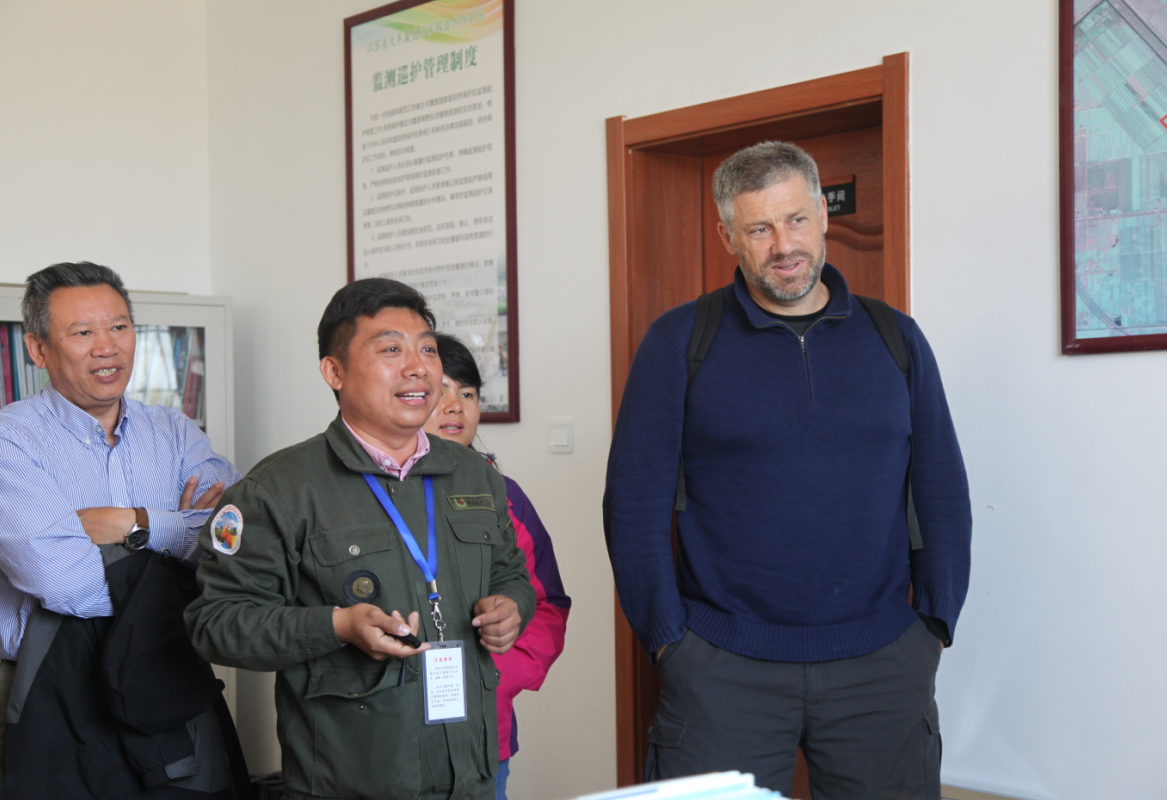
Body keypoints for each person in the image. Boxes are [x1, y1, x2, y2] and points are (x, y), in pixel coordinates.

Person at [603, 141, 972, 800]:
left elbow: (941, 485)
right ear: (728, 237)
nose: (783, 245)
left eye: (796, 219)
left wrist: (935, 624)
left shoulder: (895, 338)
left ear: (823, 216)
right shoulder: (678, 341)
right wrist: (668, 642)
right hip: (722, 670)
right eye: (759, 229)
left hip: (881, 666)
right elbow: (632, 503)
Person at [185, 278, 536, 800]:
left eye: (427, 349)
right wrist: (337, 626)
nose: (417, 367)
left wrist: (512, 606)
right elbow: (216, 623)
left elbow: (510, 572)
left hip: (472, 776)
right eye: (391, 349)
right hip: (351, 778)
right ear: (334, 371)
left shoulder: (474, 474)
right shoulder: (278, 489)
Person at [0, 261, 241, 794]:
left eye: (118, 327)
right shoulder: (11, 441)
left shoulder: (174, 431)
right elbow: (62, 580)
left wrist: (135, 524)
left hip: (163, 670)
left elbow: (234, 543)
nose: (107, 347)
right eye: (82, 332)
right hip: (43, 680)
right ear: (38, 350)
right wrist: (180, 541)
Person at [424, 332, 571, 800]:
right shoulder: (366, 491)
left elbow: (547, 602)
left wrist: (501, 676)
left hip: (485, 734)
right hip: (389, 736)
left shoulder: (504, 496)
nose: (455, 406)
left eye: (467, 393)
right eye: (441, 391)